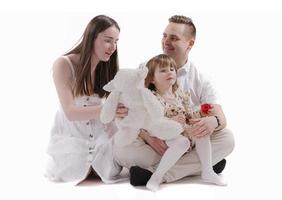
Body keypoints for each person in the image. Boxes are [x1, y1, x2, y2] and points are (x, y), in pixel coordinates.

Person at [114, 15, 235, 186]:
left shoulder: (201, 79)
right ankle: (203, 165)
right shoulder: (146, 70)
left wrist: (212, 121)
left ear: (190, 44)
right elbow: (131, 113)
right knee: (122, 149)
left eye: (174, 38)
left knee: (227, 139)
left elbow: (220, 117)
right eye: (164, 36)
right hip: (155, 142)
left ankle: (155, 175)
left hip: (186, 139)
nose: (166, 41)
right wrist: (149, 138)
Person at [45, 15, 124, 184]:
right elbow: (70, 113)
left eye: (116, 41)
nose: (113, 47)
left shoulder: (107, 67)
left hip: (100, 134)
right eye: (108, 40)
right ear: (91, 37)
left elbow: (113, 116)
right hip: (72, 136)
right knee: (76, 170)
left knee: (115, 164)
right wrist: (109, 109)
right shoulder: (64, 64)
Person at [144, 54, 226, 191]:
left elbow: (188, 115)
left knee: (201, 130)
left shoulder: (180, 94)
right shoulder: (153, 97)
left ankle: (207, 171)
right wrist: (171, 121)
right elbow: (152, 121)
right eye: (163, 70)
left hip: (182, 129)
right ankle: (157, 176)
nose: (169, 72)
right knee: (182, 142)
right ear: (152, 78)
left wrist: (198, 115)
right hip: (163, 132)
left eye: (172, 69)